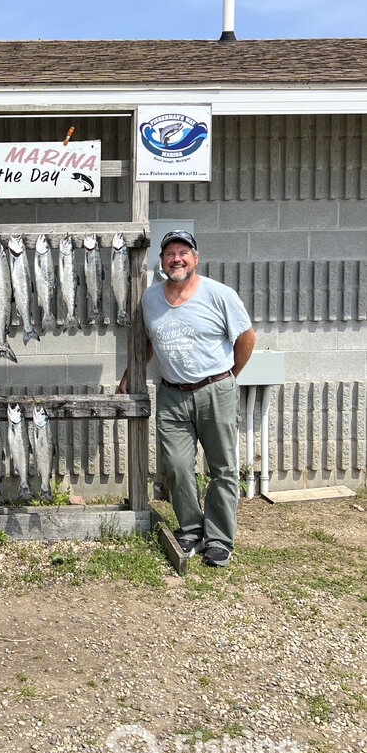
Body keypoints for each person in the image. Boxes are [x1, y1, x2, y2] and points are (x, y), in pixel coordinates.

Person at [119, 230, 255, 567]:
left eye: (183, 252)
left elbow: (247, 338)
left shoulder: (219, 294)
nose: (176, 259)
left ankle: (219, 540)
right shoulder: (150, 298)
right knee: (177, 466)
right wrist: (130, 373)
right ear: (162, 261)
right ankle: (193, 530)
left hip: (215, 391)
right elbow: (148, 343)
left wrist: (227, 377)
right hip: (171, 394)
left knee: (223, 468)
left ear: (195, 258)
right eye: (170, 254)